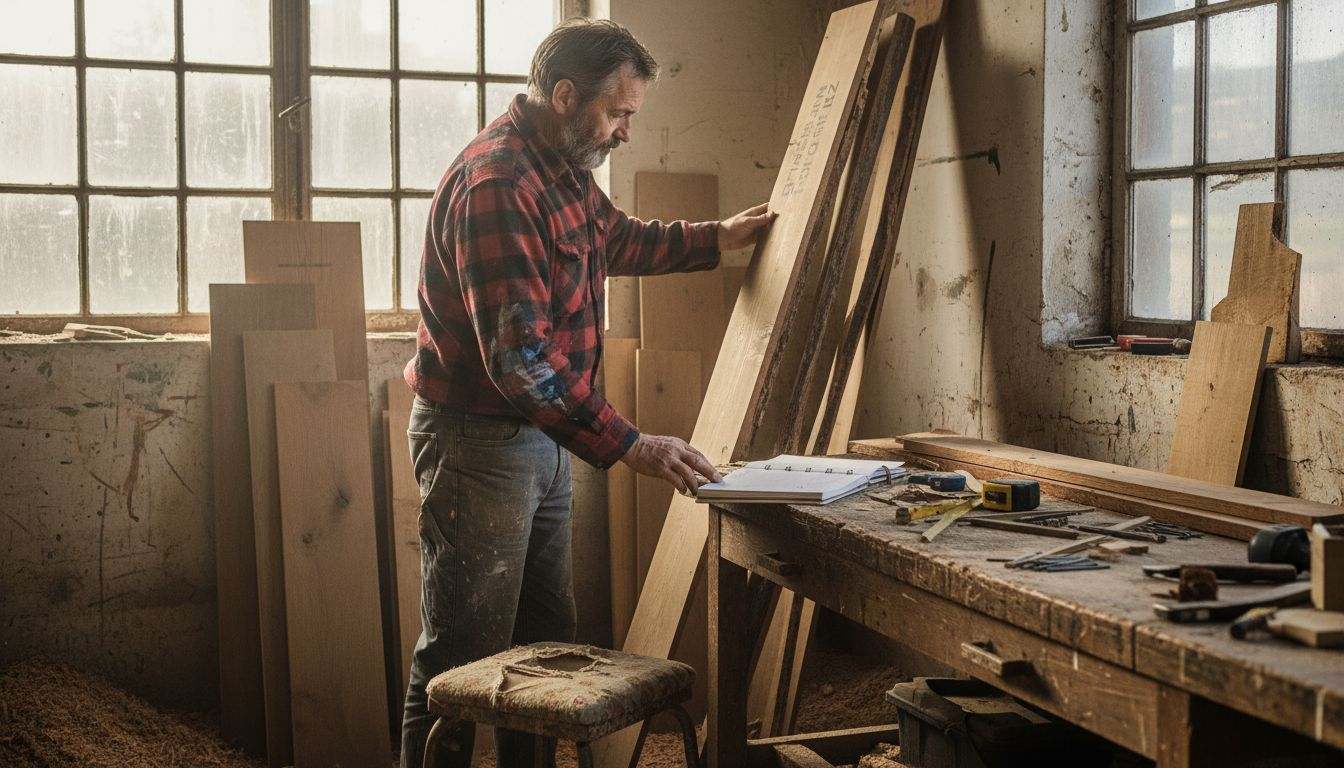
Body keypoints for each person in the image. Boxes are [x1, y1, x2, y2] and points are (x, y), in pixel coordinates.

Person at [398, 17, 775, 768]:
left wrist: (717, 238)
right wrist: (634, 444)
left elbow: (618, 239)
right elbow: (521, 362)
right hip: (479, 444)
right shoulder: (500, 184)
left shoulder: (565, 166)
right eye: (617, 113)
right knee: (459, 659)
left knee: (541, 652)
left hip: (542, 438)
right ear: (566, 96)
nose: (626, 132)